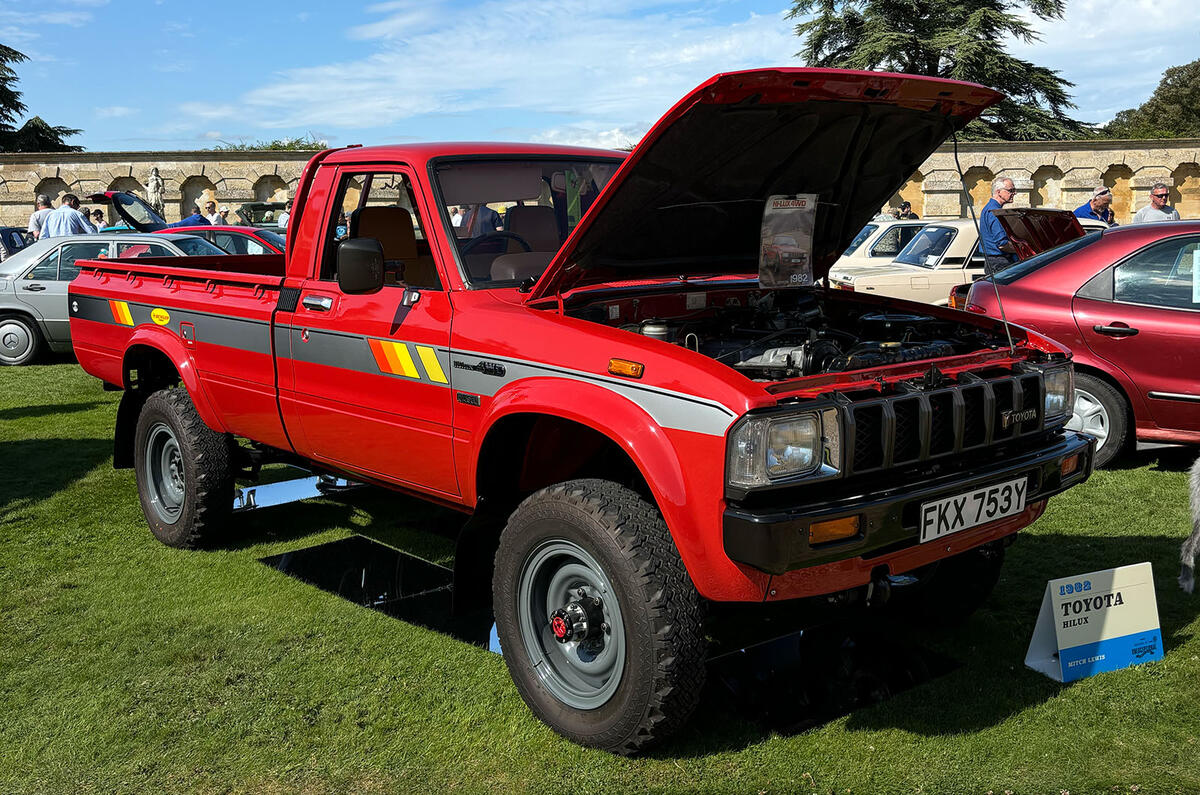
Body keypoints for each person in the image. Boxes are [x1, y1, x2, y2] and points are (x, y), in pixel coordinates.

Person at [979, 176, 1017, 274]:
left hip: (994, 262)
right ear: (999, 192)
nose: (1014, 193)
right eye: (1011, 190)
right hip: (1000, 263)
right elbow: (1002, 244)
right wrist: (1021, 248)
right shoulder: (995, 212)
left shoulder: (988, 208)